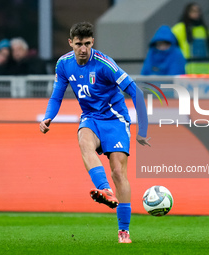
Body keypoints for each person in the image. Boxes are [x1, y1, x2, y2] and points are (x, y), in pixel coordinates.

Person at [39, 22, 150, 243]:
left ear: (93, 42)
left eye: (87, 44)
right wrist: (48, 116)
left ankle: (123, 231)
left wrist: (143, 129)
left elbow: (135, 92)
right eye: (78, 44)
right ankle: (105, 190)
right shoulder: (63, 64)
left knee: (118, 172)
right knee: (83, 139)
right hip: (91, 117)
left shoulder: (104, 64)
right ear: (71, 42)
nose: (83, 49)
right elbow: (57, 95)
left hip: (116, 120)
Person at [172, 2, 209, 74]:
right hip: (186, 68)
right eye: (193, 11)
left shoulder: (205, 29)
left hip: (205, 70)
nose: (196, 13)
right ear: (187, 12)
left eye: (198, 11)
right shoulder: (178, 29)